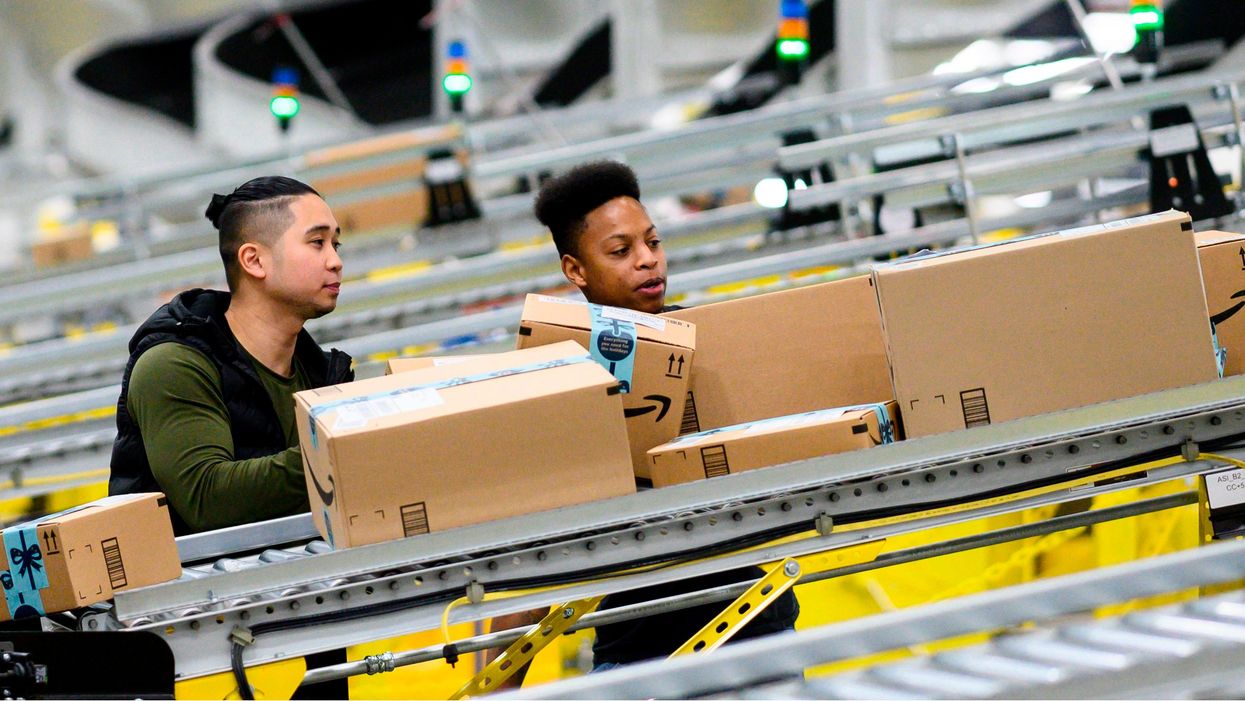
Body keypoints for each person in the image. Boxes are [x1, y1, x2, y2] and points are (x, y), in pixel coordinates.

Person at [487, 161, 798, 681]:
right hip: (637, 657)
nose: (648, 259)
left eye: (653, 242)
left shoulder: (708, 347)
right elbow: (529, 561)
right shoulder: (556, 384)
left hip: (756, 632)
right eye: (620, 251)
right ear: (575, 270)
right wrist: (498, 686)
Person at [109, 175, 353, 534]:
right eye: (317, 243)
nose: (335, 261)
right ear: (254, 261)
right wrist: (346, 449)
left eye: (336, 244)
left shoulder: (318, 370)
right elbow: (207, 498)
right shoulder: (172, 365)